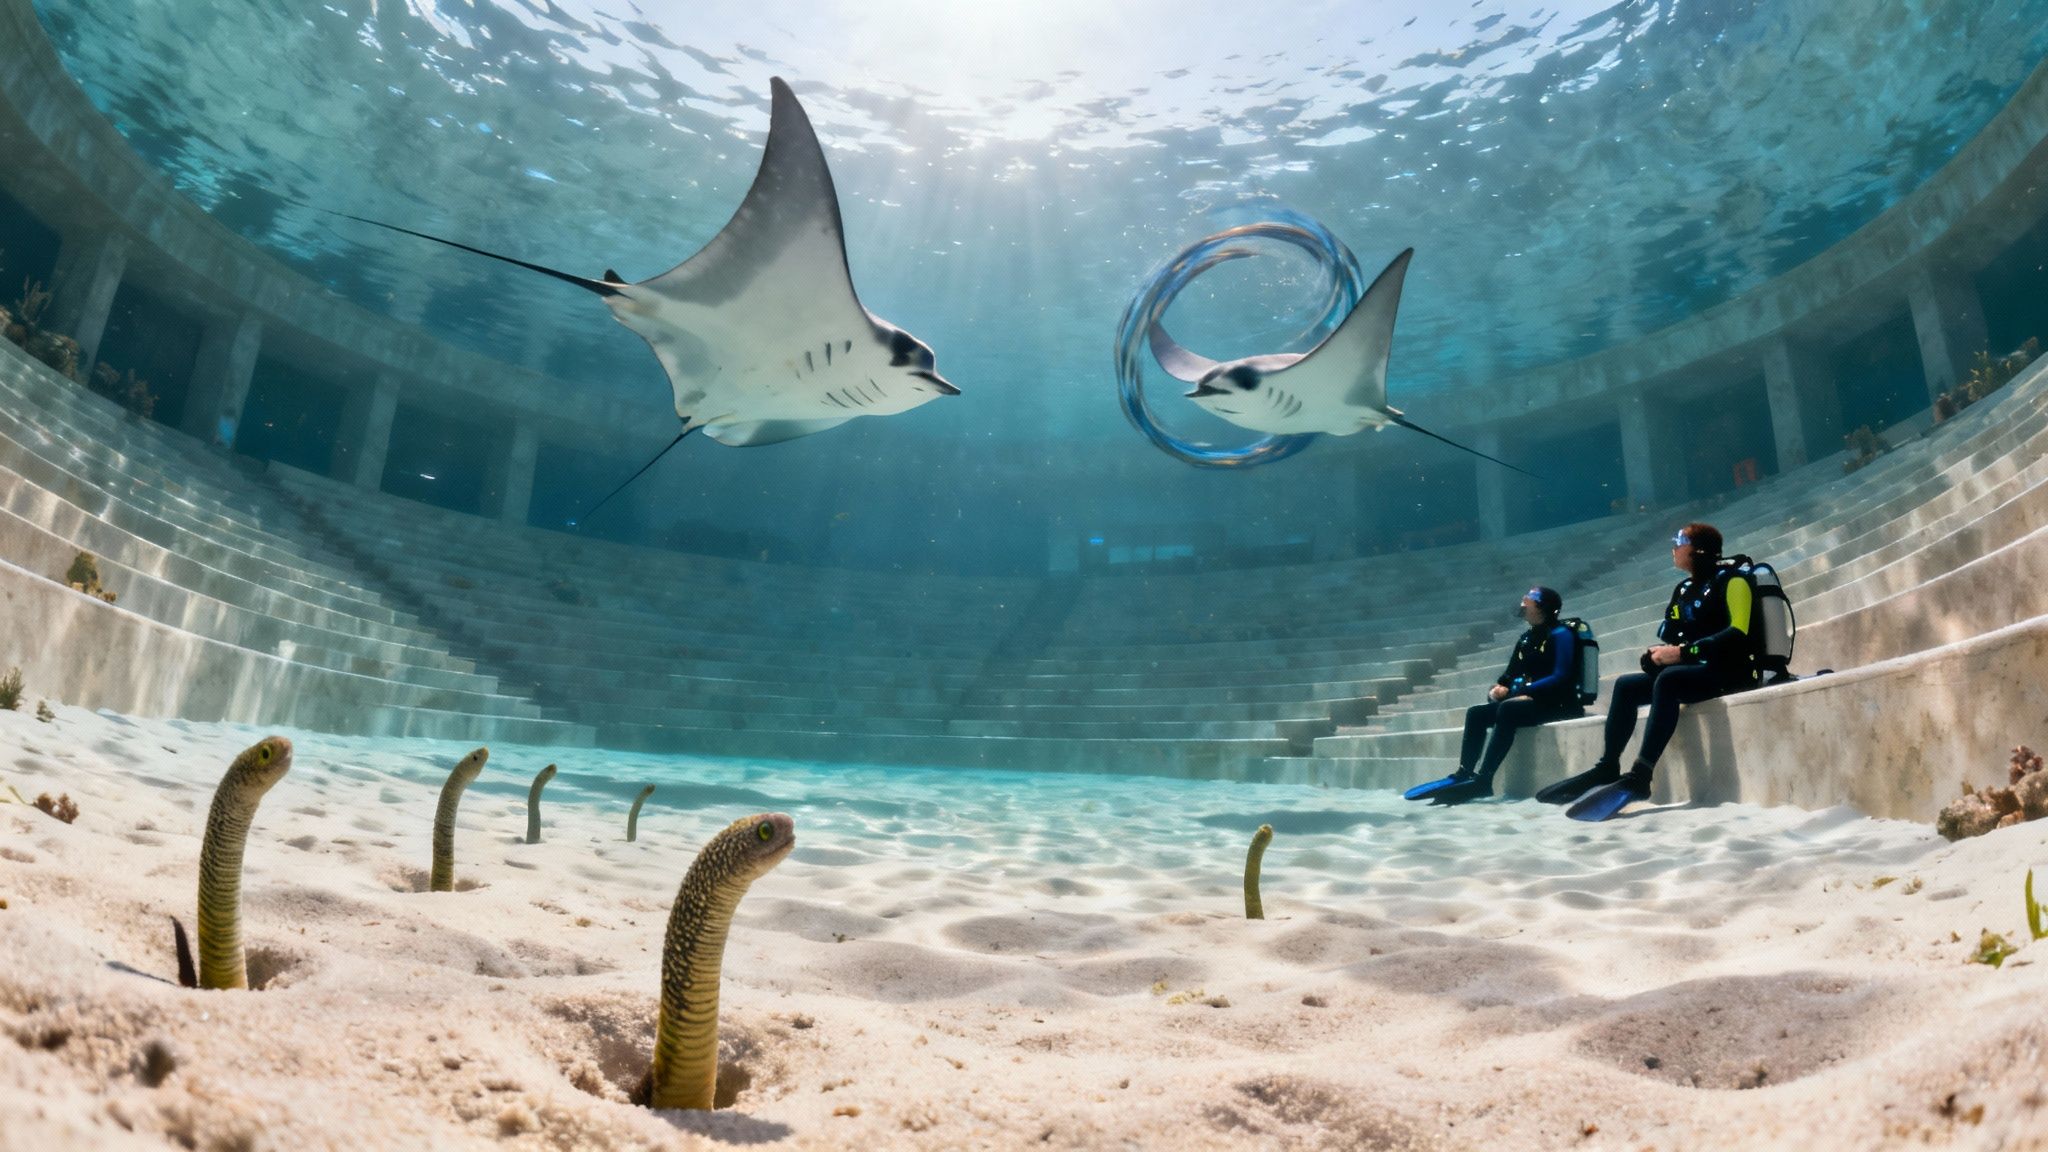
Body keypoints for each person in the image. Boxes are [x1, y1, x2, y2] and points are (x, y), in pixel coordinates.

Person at [1534, 522, 1761, 821]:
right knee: (1626, 686)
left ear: (1699, 550)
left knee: (1669, 680)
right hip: (1697, 670)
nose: (1673, 547)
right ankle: (1607, 766)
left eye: (1679, 541)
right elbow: (1676, 634)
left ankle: (1641, 774)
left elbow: (1739, 633)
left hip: (1734, 670)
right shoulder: (1683, 589)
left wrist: (1682, 653)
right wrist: (1657, 655)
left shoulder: (1734, 581)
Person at [1405, 586, 1583, 806]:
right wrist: (1497, 690)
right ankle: (1465, 772)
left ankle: (1484, 780)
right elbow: (1509, 675)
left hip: (1560, 704)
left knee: (1509, 710)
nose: (1523, 601)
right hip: (1532, 701)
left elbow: (1561, 676)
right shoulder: (1527, 639)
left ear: (1541, 607)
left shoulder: (1562, 635)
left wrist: (1523, 691)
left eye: (1529, 598)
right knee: (1477, 714)